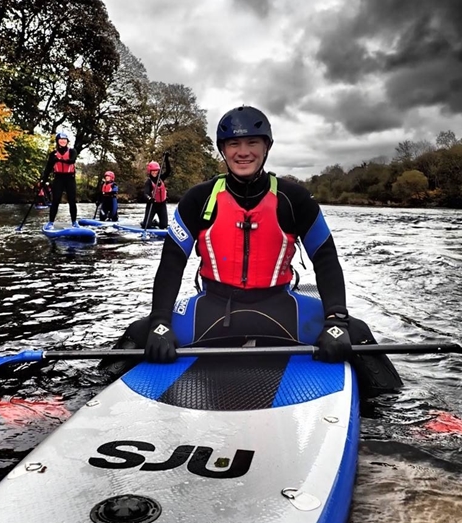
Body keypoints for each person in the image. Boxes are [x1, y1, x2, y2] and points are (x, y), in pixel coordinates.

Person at [114, 106, 402, 396]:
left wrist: (336, 321)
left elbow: (325, 259)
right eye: (234, 144)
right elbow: (172, 262)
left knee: (358, 333)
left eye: (252, 142)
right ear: (223, 150)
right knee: (139, 332)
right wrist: (160, 323)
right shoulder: (198, 198)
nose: (243, 152)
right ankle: (87, 396)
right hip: (212, 310)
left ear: (267, 147)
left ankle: (403, 412)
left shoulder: (294, 198)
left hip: (280, 309)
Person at [41, 131, 79, 229]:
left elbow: (72, 160)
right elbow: (48, 168)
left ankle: (74, 222)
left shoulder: (72, 151)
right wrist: (43, 180)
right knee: (55, 200)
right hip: (58, 178)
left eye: (64, 140)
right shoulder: (53, 154)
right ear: (57, 141)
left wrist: (59, 160)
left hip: (70, 178)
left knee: (72, 200)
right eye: (61, 140)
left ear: (67, 141)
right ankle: (51, 222)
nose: (63, 141)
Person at [141, 152, 171, 229]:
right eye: (153, 171)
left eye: (156, 170)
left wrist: (166, 159)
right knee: (146, 225)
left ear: (158, 171)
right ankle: (146, 222)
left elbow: (168, 171)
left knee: (164, 226)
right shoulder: (148, 182)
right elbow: (145, 193)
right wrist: (149, 198)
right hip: (152, 205)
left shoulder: (161, 178)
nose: (154, 172)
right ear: (150, 171)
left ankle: (155, 223)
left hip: (162, 204)